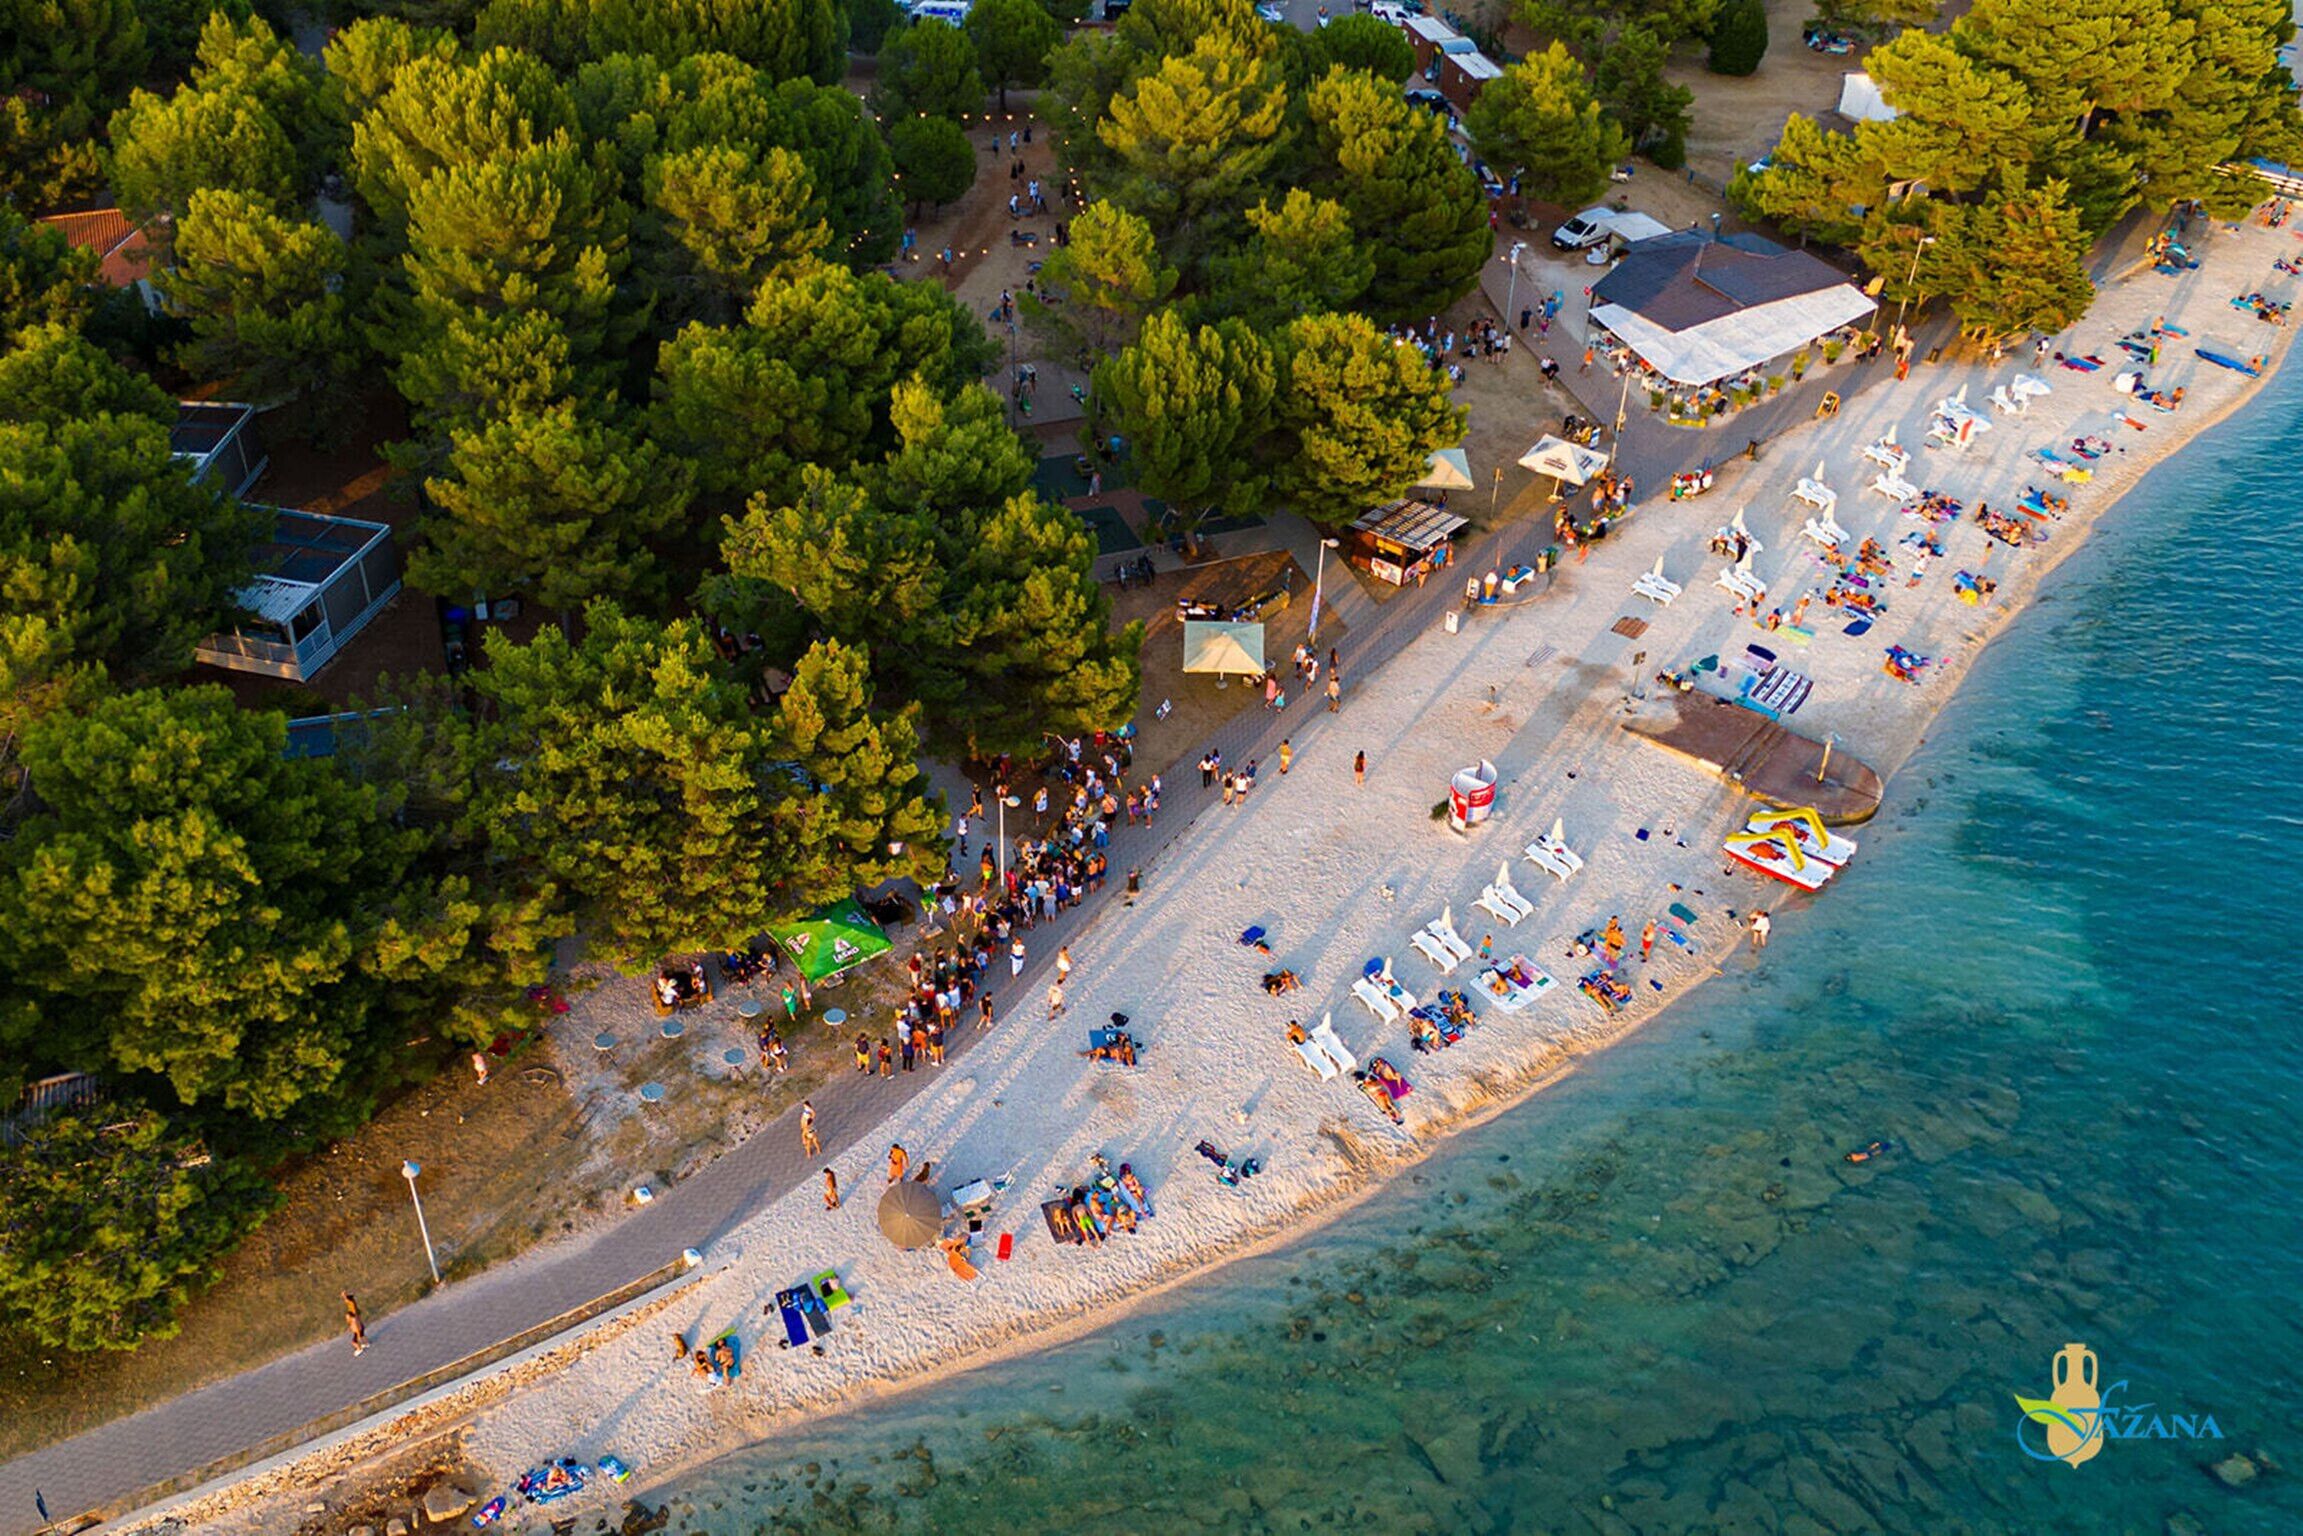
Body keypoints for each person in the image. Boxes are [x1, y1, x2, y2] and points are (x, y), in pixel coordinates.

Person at [343, 1292, 367, 1357]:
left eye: (347, 1317)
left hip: (358, 1330)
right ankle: (366, 1343)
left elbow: (357, 1328)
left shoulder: (353, 1319)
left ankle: (359, 1349)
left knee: (354, 1342)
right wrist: (344, 1296)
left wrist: (359, 1337)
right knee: (362, 1335)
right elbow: (347, 1300)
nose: (346, 1318)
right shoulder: (353, 1309)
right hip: (361, 1327)